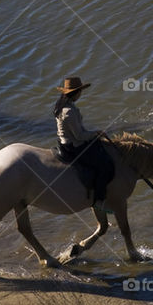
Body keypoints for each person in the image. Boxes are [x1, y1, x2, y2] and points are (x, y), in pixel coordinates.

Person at [53, 77, 115, 215]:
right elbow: (79, 136)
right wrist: (97, 133)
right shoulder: (69, 111)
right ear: (75, 93)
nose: (81, 94)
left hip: (69, 142)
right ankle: (99, 201)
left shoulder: (64, 105)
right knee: (104, 166)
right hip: (73, 146)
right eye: (80, 91)